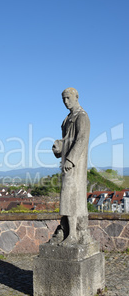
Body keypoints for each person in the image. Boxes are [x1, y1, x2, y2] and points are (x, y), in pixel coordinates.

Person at [51, 87, 91, 245]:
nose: (66, 102)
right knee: (67, 197)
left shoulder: (82, 116)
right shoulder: (67, 118)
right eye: (63, 99)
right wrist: (59, 147)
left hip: (74, 165)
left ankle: (73, 235)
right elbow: (69, 139)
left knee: (71, 197)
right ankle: (68, 231)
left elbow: (82, 139)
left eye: (68, 98)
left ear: (76, 97)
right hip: (67, 164)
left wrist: (70, 160)